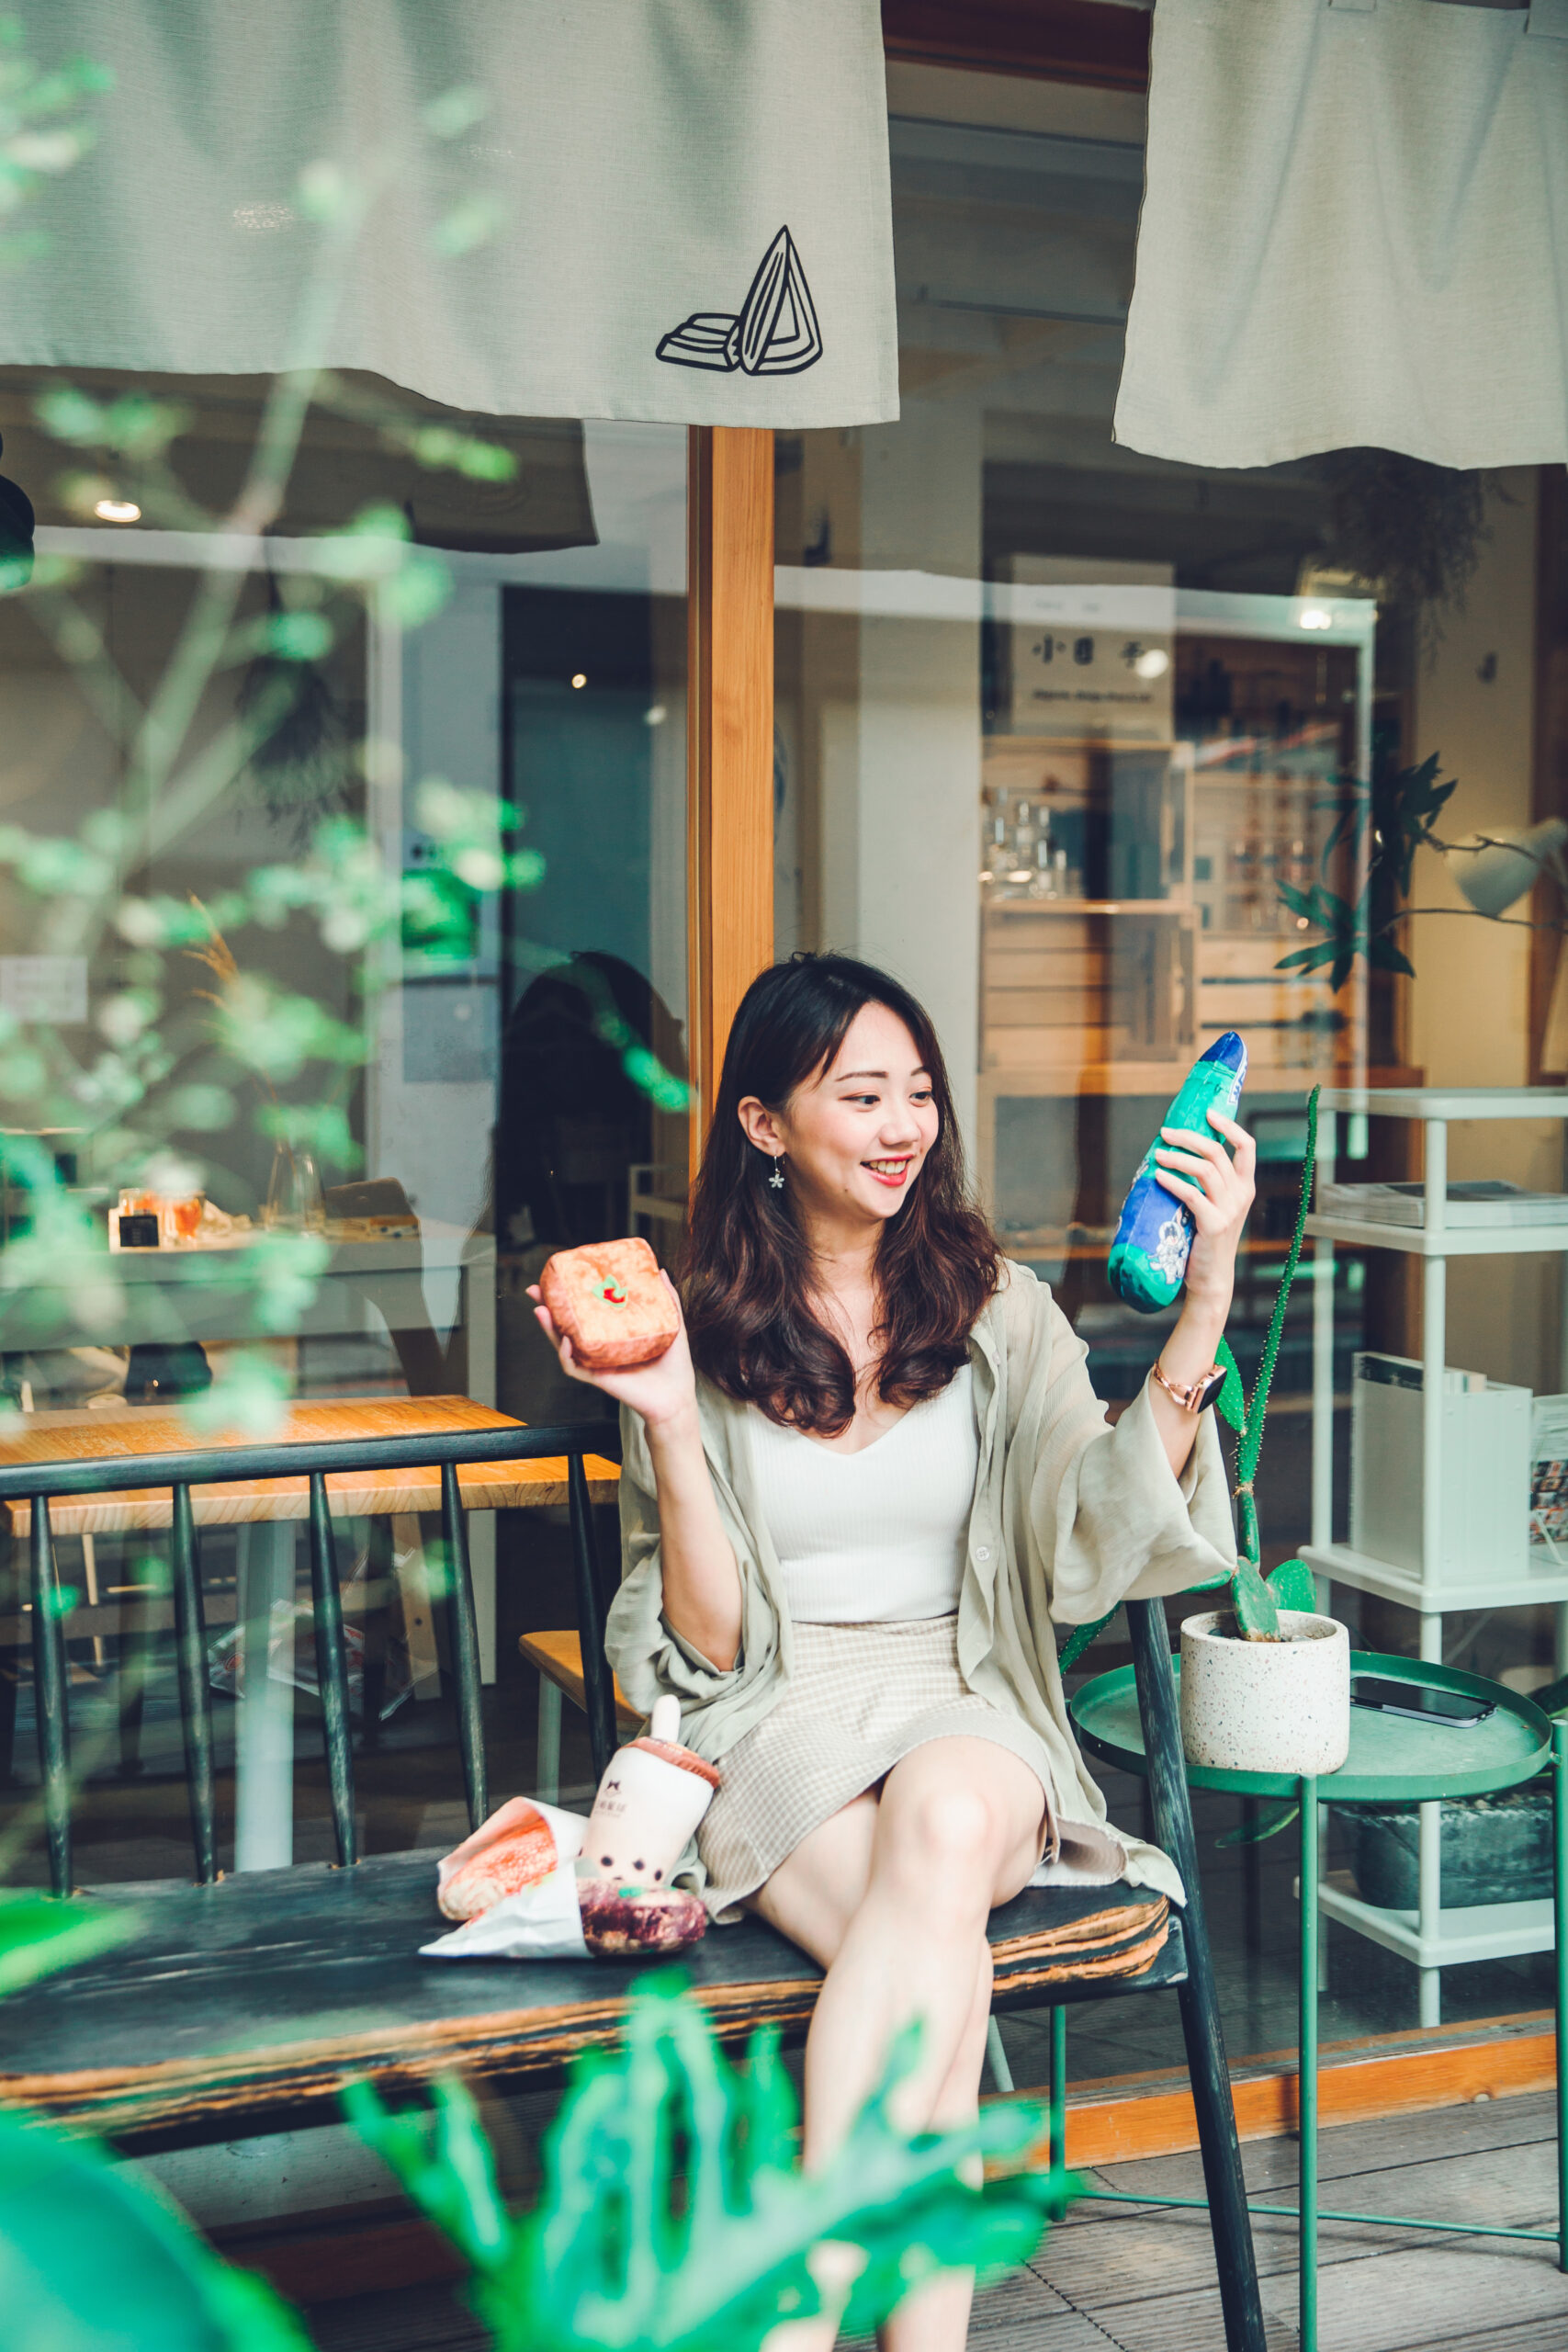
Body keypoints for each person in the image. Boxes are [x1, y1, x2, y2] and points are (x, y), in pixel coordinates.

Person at [530, 951, 1252, 2352]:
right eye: (861, 1096)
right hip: (775, 1713)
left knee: (951, 1819)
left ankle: (792, 2306)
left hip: (966, 1690)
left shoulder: (1000, 1312)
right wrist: (668, 1416)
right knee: (937, 1961)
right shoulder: (689, 1334)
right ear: (764, 1123)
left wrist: (1207, 1291)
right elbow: (709, 1643)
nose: (902, 1126)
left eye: (917, 1092)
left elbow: (1093, 1535)